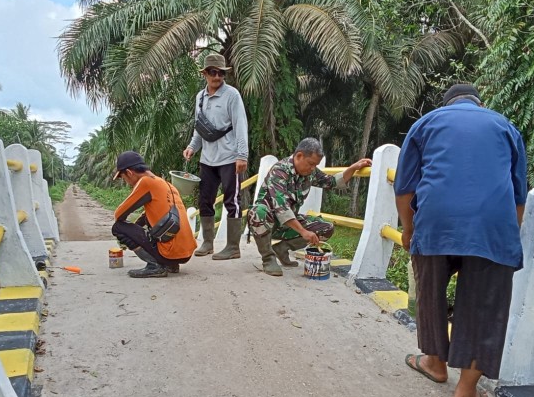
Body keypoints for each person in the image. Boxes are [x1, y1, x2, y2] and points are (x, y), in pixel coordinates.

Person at [394, 83, 527, 397]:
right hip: (492, 226)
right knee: (485, 305)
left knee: (431, 290)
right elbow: (519, 196)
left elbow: (404, 188)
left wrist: (409, 231)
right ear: (480, 103)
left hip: (436, 221)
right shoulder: (505, 126)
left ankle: (435, 364)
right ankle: (466, 393)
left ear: (448, 103)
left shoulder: (426, 123)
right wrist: (504, 237)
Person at [249, 137, 372, 277]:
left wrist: (353, 168)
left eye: (316, 165)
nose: (313, 168)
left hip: (288, 224)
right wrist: (303, 231)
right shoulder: (279, 171)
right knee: (258, 211)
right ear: (299, 155)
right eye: (311, 164)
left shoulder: (310, 173)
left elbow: (331, 182)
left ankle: (282, 248)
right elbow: (281, 208)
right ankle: (268, 258)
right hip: (267, 222)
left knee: (326, 228)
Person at [183, 53, 249, 261]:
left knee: (232, 201)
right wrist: (192, 147)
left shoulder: (232, 95)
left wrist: (242, 155)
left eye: (221, 73)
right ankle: (208, 242)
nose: (217, 77)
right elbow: (200, 126)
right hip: (208, 159)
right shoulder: (200, 97)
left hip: (230, 158)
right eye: (213, 72)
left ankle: (232, 247)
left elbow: (241, 125)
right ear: (205, 74)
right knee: (205, 200)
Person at [112, 151, 197, 278]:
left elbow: (119, 215)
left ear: (129, 173)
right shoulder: (167, 185)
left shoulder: (146, 182)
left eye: (124, 178)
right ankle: (171, 265)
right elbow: (150, 215)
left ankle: (155, 266)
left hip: (169, 253)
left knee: (118, 227)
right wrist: (134, 231)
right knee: (143, 222)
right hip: (186, 254)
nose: (127, 182)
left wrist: (129, 235)